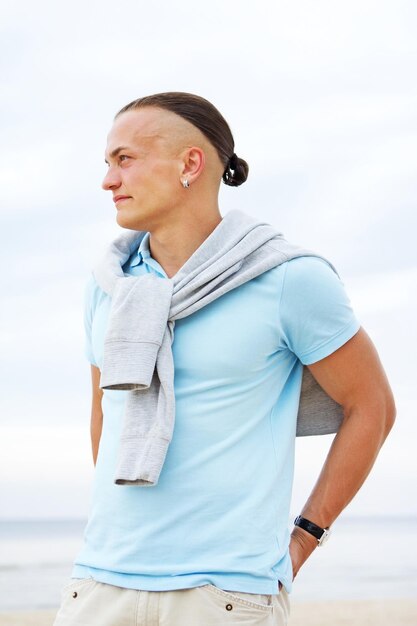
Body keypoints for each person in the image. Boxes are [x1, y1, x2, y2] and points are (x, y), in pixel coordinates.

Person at [53, 92, 396, 626]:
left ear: (190, 164)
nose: (108, 181)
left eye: (125, 160)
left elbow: (371, 407)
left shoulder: (288, 278)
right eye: (108, 164)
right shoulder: (107, 287)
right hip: (99, 583)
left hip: (225, 593)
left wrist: (304, 538)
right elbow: (106, 412)